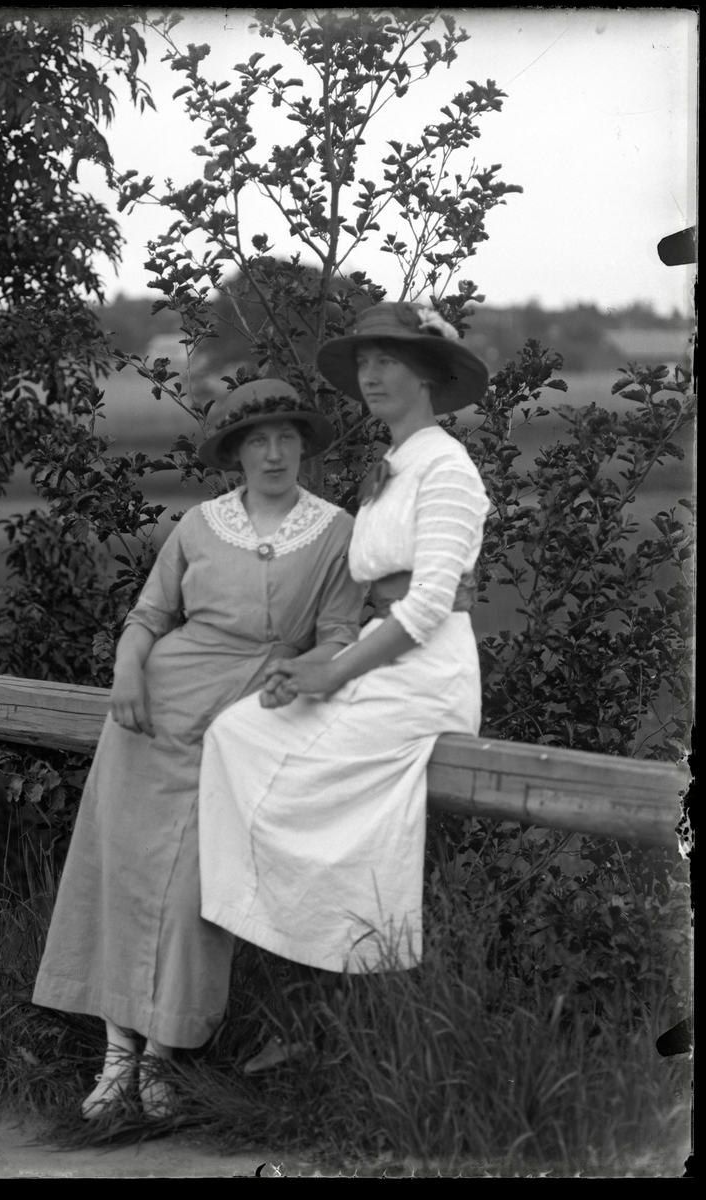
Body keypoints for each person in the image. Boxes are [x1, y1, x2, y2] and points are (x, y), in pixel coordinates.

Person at [31, 379, 366, 1118]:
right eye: (257, 441)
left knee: (193, 897)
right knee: (123, 881)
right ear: (236, 453)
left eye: (285, 438)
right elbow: (148, 616)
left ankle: (161, 1056)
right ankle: (117, 1059)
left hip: (245, 728)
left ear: (303, 447)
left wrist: (300, 675)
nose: (273, 453)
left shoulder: (336, 531)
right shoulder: (199, 526)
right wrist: (127, 674)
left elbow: (340, 636)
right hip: (152, 718)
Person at [198, 301, 491, 1072]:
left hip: (424, 673)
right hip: (376, 656)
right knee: (237, 734)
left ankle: (349, 992)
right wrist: (309, 671)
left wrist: (332, 673)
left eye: (388, 360)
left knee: (298, 782)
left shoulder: (447, 469)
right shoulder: (390, 469)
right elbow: (365, 594)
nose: (371, 375)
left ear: (427, 374)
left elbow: (426, 606)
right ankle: (307, 983)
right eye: (363, 363)